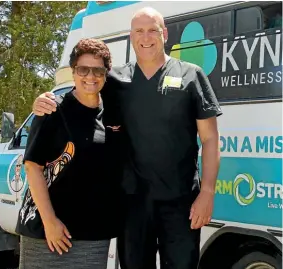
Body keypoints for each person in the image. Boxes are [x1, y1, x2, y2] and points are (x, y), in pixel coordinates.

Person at [32, 7, 222, 269]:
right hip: (132, 203)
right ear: (131, 36)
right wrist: (44, 101)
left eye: (152, 30)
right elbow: (82, 93)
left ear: (164, 33)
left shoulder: (191, 75)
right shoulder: (114, 80)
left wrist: (208, 192)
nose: (146, 37)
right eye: (139, 31)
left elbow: (210, 139)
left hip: (181, 203)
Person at [17, 38, 124, 269]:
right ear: (73, 72)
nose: (90, 76)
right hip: (46, 232)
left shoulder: (113, 117)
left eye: (98, 70)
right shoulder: (52, 110)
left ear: (106, 74)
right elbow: (32, 167)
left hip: (93, 234)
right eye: (83, 69)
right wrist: (50, 222)